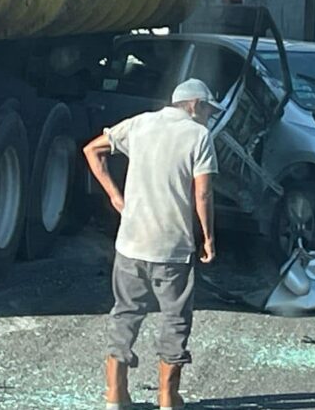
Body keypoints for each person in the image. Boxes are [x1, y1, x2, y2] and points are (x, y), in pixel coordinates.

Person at [83, 79, 221, 410]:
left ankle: (115, 395)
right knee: (174, 320)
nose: (207, 117)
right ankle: (167, 398)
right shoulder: (198, 136)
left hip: (130, 242)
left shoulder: (140, 123)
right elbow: (202, 192)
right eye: (207, 110)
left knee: (126, 313)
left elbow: (92, 150)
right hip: (172, 247)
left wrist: (116, 197)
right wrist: (208, 238)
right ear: (193, 105)